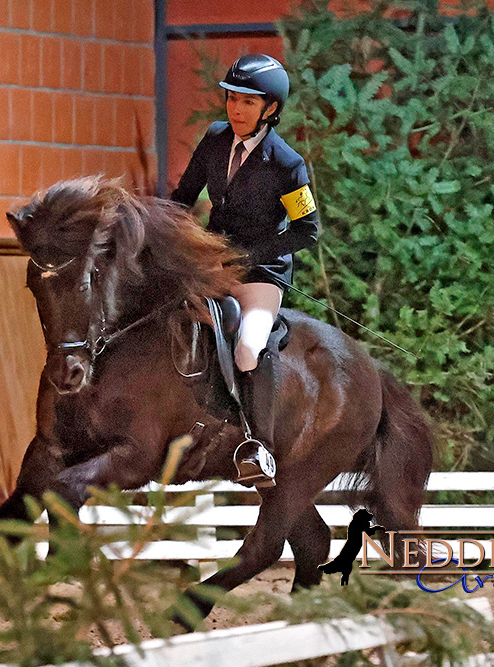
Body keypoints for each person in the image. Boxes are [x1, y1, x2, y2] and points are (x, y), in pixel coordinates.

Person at [170, 53, 319, 488]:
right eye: (232, 98)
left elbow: (307, 231)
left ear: (270, 109)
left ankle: (260, 446)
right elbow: (183, 195)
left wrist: (252, 256)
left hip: (260, 275)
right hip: (211, 266)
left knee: (248, 348)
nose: (235, 109)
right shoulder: (215, 139)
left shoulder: (288, 165)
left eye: (248, 102)